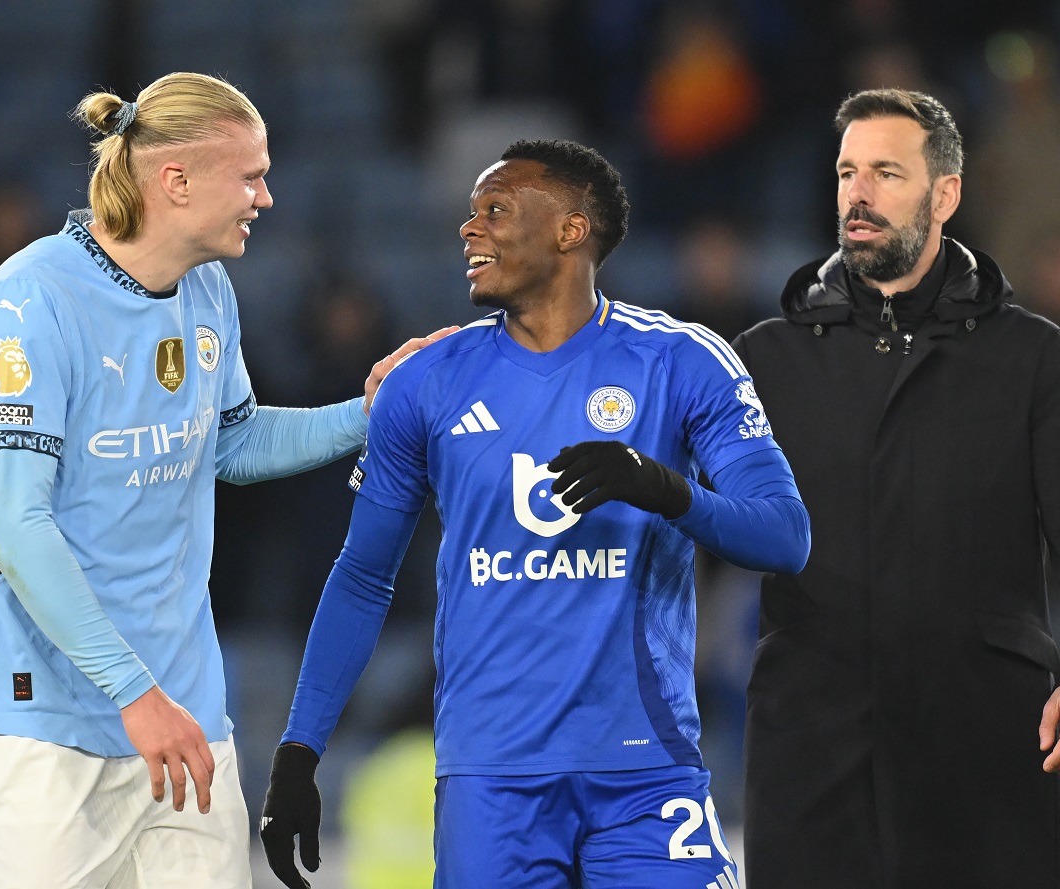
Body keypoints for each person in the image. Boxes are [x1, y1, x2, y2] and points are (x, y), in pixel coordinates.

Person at [258, 138, 811, 889]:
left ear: (570, 229)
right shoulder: (425, 383)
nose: (469, 228)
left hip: (645, 773)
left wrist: (662, 488)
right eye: (470, 211)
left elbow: (784, 535)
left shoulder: (682, 361)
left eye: (496, 209)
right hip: (491, 782)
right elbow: (362, 578)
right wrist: (299, 750)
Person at [0, 72, 453, 888]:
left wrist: (367, 411)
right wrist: (132, 693)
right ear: (175, 182)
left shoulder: (208, 291)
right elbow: (14, 521)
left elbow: (232, 441)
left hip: (182, 721)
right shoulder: (27, 304)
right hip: (39, 724)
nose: (266, 197)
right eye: (249, 176)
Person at [730, 88, 1060, 888]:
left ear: (944, 194)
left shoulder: (1031, 356)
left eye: (886, 171)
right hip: (812, 741)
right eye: (847, 171)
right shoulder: (764, 357)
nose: (858, 192)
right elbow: (663, 488)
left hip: (985, 735)